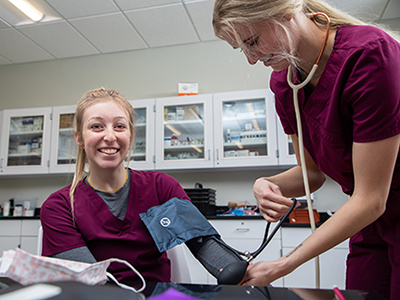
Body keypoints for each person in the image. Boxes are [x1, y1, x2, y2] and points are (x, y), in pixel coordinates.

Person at [213, 0, 400, 299]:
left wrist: (283, 265)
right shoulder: (285, 83)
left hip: (375, 206)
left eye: (252, 42)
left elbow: (371, 198)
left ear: (286, 11)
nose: (251, 59)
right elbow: (312, 174)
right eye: (242, 49)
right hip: (370, 224)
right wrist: (267, 184)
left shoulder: (369, 54)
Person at [40, 88, 191, 283]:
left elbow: (205, 244)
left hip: (160, 296)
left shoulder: (161, 187)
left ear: (130, 135)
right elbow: (91, 282)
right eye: (96, 126)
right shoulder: (59, 207)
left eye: (119, 126)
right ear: (79, 138)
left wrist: (237, 271)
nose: (110, 136)